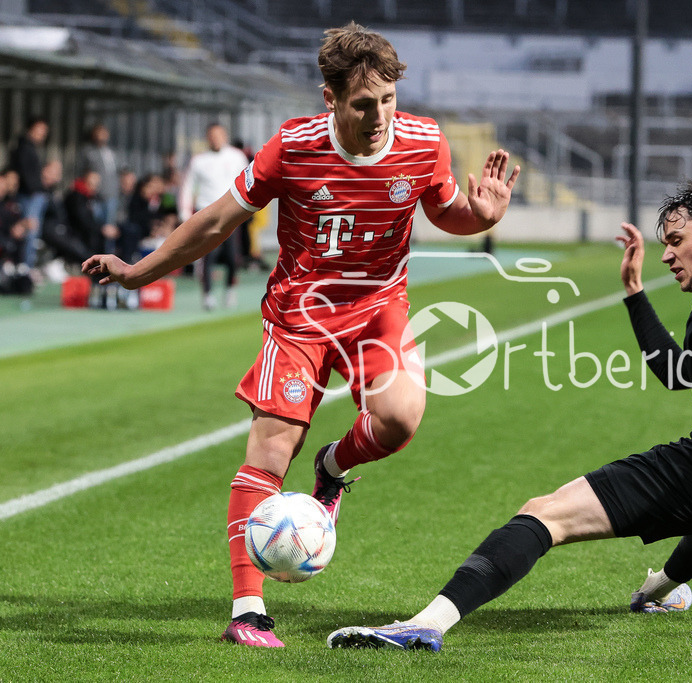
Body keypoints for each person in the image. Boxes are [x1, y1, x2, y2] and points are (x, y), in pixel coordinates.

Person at [83, 21, 520, 648]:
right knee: (267, 453)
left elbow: (445, 208)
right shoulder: (292, 146)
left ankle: (332, 469)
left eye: (388, 100)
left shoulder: (425, 142)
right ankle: (247, 610)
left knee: (400, 420)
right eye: (363, 104)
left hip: (378, 308)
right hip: (300, 318)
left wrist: (483, 215)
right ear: (331, 98)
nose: (379, 116)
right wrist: (137, 273)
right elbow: (214, 224)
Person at [326, 179, 692, 652]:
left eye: (676, 239)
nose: (667, 252)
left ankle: (428, 622)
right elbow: (676, 372)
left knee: (545, 512)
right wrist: (635, 295)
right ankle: (658, 590)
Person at [178, 124, 250, 309]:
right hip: (206, 212)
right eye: (212, 136)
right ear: (207, 138)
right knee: (208, 256)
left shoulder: (236, 156)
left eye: (219, 135)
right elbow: (188, 187)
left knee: (233, 257)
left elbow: (248, 181)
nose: (216, 139)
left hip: (230, 214)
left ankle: (229, 290)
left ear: (224, 136)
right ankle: (207, 294)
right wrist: (185, 213)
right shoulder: (199, 160)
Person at [9, 116, 49, 273]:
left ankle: (27, 266)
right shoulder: (24, 148)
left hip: (33, 195)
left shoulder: (30, 147)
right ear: (30, 129)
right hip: (29, 196)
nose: (42, 134)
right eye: (40, 130)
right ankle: (25, 267)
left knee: (33, 233)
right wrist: (36, 189)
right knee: (29, 232)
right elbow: (26, 175)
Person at [77, 123, 120, 227]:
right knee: (95, 225)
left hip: (111, 194)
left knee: (109, 226)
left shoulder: (112, 153)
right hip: (95, 195)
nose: (101, 136)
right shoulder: (88, 151)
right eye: (98, 133)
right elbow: (81, 170)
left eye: (103, 133)